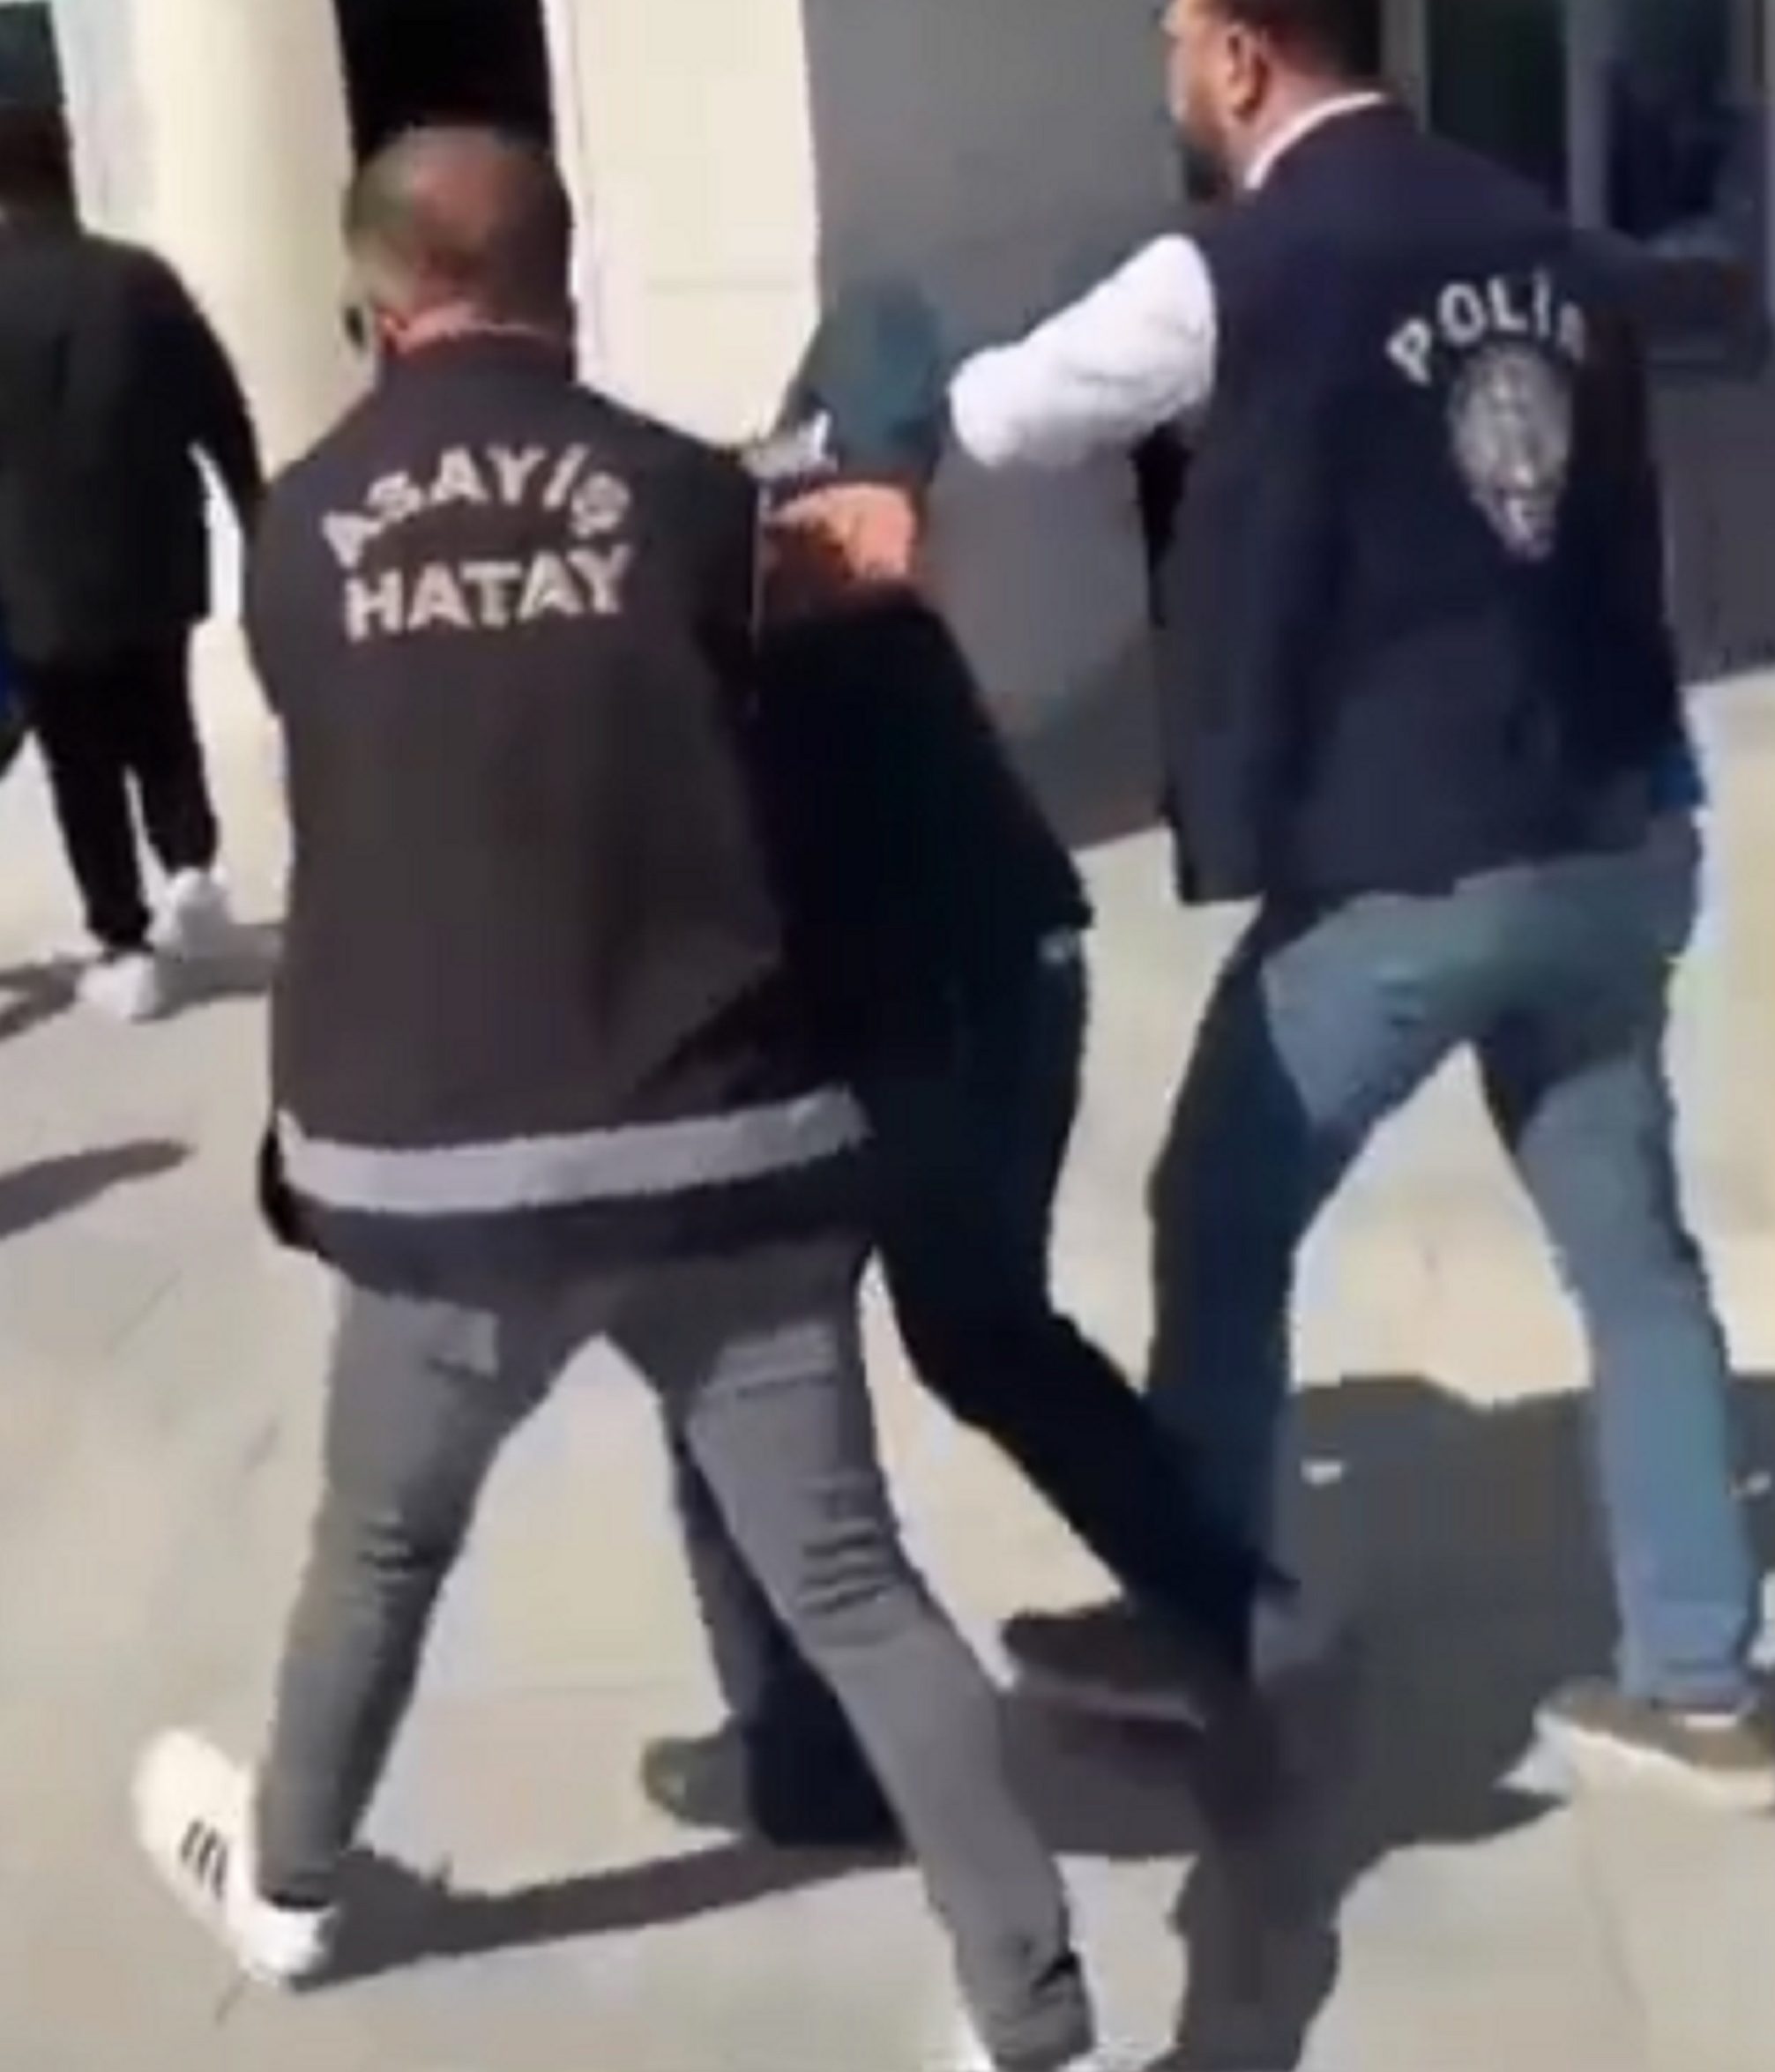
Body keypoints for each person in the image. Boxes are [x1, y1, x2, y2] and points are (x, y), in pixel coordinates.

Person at [128, 129, 1101, 2072]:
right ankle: (1030, 1997)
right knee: (850, 1576)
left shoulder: (301, 533)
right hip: (725, 1142)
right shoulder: (691, 501)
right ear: (561, 283)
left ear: (374, 304)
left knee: (380, 1548)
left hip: (438, 1171)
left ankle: (291, 1888)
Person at [924, 0, 1775, 1811]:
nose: (1169, 70)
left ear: (1240, 54)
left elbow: (1010, 413)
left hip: (1409, 861)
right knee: (1632, 1260)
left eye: (1176, 38)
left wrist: (871, 401)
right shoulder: (1556, 246)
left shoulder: (1237, 265)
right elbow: (1637, 544)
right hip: (1613, 830)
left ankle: (1215, 1623)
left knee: (1217, 1216)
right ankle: (1703, 1684)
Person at [645, 290, 1275, 1846]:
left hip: (932, 998)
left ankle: (809, 1760)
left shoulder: (727, 558)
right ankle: (1228, 1609)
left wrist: (877, 469)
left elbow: (885, 326)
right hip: (992, 973)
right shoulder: (750, 562)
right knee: (971, 1331)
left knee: (746, 1367)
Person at [0, 112, 260, 1020]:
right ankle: (191, 870)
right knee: (163, 720)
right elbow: (220, 407)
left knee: (80, 762)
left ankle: (124, 937)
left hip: (29, 573)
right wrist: (254, 512)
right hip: (152, 551)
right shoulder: (139, 280)